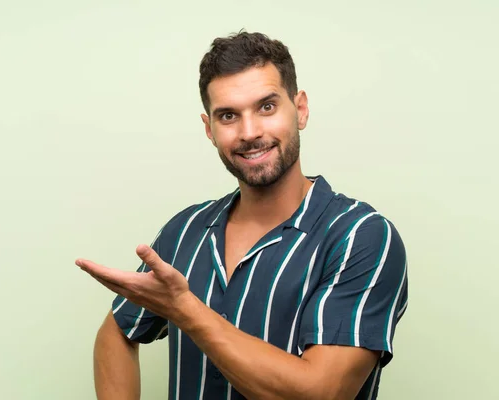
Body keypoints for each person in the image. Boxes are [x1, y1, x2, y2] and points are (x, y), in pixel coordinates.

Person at [76, 31, 408, 400]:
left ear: (299, 109)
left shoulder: (361, 236)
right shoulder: (185, 230)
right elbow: (117, 332)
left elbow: (322, 392)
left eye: (266, 107)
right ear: (209, 129)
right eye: (229, 115)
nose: (249, 133)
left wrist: (185, 309)